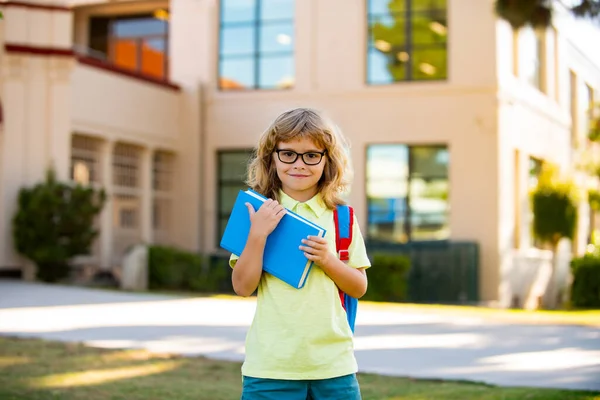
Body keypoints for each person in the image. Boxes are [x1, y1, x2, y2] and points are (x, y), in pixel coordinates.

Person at [229, 107, 371, 400]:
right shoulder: (253, 211)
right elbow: (243, 287)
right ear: (272, 157)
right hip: (270, 369)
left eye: (311, 155)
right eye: (288, 153)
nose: (299, 164)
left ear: (326, 160)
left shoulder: (341, 217)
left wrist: (328, 260)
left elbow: (358, 287)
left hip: (334, 367)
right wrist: (258, 234)